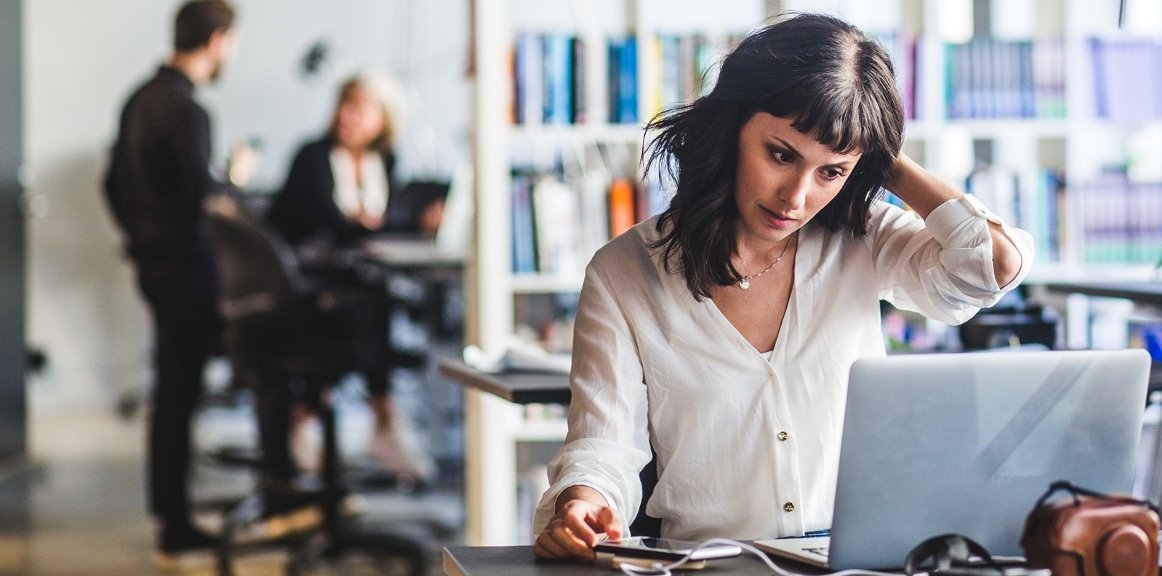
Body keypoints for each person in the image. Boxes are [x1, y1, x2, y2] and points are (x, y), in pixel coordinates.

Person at [531, 13, 1034, 561]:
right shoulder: (624, 273)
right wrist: (582, 502)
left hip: (859, 563)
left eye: (831, 172)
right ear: (731, 128)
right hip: (712, 567)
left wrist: (879, 156)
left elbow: (990, 266)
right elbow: (603, 446)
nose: (796, 196)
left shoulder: (861, 235)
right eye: (781, 154)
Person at [102, 0, 251, 556]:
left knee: (172, 394)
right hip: (186, 270)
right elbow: (202, 200)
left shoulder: (139, 99)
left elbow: (111, 185)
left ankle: (171, 515)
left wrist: (139, 237)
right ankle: (181, 522)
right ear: (215, 41)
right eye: (231, 42)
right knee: (182, 392)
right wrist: (233, 179)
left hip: (153, 264)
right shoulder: (188, 110)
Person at [265, 73, 436, 481]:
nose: (347, 115)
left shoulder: (386, 161)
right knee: (365, 305)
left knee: (370, 299)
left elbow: (378, 223)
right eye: (344, 103)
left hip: (352, 283)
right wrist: (396, 221)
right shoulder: (312, 156)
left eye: (360, 107)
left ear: (383, 119)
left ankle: (320, 415)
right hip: (302, 284)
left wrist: (415, 217)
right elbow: (334, 224)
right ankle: (375, 418)